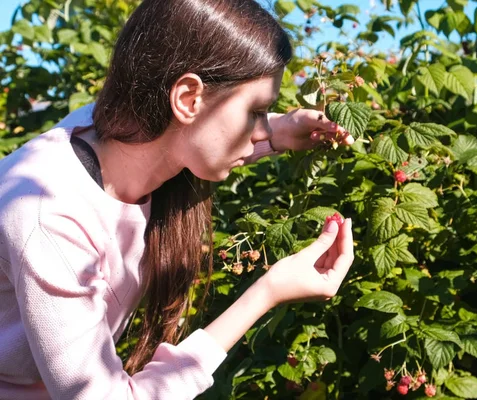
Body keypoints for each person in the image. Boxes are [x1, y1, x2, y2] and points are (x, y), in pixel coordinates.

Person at [0, 0, 355, 399]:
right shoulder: (48, 217)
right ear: (187, 98)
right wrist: (266, 292)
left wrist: (280, 129)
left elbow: (188, 138)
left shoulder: (115, 130)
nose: (258, 129)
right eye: (256, 110)